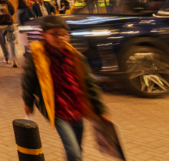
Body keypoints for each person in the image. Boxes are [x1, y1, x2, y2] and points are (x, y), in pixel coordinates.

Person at [22, 15, 110, 161]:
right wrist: (28, 102)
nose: (60, 37)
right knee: (74, 153)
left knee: (77, 148)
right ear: (44, 35)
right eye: (55, 33)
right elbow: (28, 80)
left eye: (64, 34)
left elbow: (89, 84)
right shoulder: (36, 58)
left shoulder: (76, 57)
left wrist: (100, 111)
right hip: (58, 111)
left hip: (77, 108)